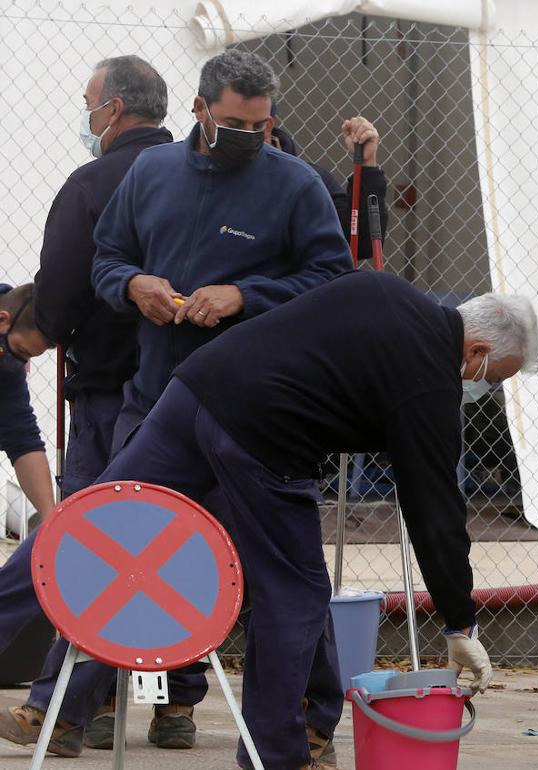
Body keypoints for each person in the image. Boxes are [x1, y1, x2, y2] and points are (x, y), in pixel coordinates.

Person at [0, 48, 351, 758]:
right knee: (99, 544)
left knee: (282, 569)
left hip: (260, 417)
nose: (249, 137)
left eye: (260, 125)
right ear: (197, 110)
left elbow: (331, 282)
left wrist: (245, 297)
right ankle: (65, 710)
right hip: (158, 402)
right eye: (233, 123)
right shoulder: (151, 175)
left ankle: (312, 723)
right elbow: (103, 263)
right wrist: (135, 287)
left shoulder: (297, 186)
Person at [76, 270, 534, 769]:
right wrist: (459, 621)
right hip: (266, 438)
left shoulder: (386, 290)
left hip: (200, 386)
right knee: (293, 596)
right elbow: (435, 510)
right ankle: (276, 755)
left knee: (94, 525)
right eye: (492, 376)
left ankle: (42, 685)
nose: (481, 386)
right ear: (475, 351)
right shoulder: (429, 379)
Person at [33, 55, 171, 500]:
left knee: (97, 530)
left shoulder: (90, 185)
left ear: (112, 110)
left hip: (108, 386)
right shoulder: (196, 176)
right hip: (187, 385)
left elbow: (56, 300)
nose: (86, 115)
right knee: (174, 525)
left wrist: (49, 326)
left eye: (88, 103)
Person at [269, 107, 390, 268]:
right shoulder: (225, 175)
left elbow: (361, 244)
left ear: (268, 124)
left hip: (300, 289)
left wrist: (367, 164)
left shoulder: (311, 179)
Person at [0, 284, 55, 531]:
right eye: (20, 351)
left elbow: (22, 438)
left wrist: (51, 519)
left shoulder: (7, 368)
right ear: (2, 321)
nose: (21, 364)